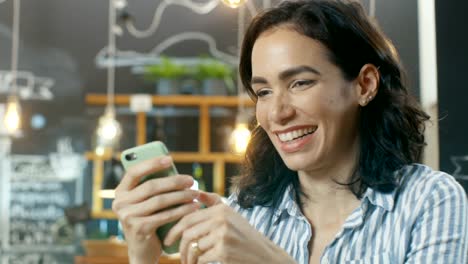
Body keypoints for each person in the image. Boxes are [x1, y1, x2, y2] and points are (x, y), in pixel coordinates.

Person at [112, 0, 468, 263]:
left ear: (364, 85)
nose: (277, 113)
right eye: (263, 91)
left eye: (299, 83)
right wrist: (143, 255)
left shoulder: (429, 201)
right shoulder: (244, 216)